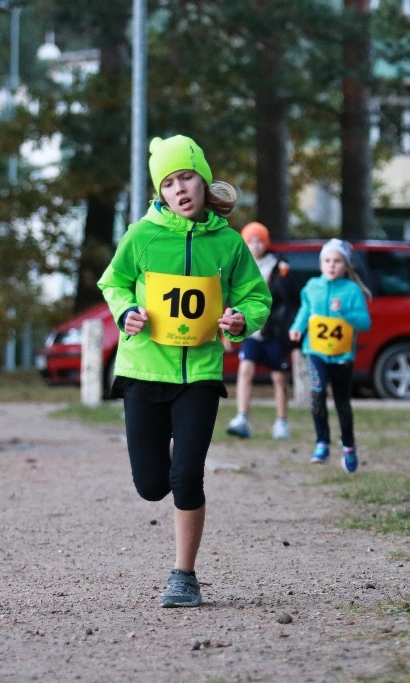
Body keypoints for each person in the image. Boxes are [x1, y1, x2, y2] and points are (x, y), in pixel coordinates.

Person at [97, 135, 271, 608]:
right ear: (160, 191)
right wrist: (126, 309)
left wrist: (240, 320)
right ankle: (167, 460)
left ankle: (184, 575)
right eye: (169, 182)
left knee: (186, 475)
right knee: (151, 485)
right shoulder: (141, 235)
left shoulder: (229, 244)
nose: (180, 189)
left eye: (187, 177)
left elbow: (256, 297)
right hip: (144, 370)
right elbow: (112, 282)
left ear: (203, 180)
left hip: (199, 373)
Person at [288, 239, 371, 473]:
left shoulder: (352, 291)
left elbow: (365, 323)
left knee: (343, 403)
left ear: (345, 265)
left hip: (342, 355)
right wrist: (297, 327)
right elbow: (306, 310)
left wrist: (344, 312)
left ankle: (348, 446)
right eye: (327, 261)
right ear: (321, 263)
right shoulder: (312, 286)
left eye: (337, 261)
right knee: (317, 391)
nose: (331, 265)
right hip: (315, 351)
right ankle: (322, 442)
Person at [225, 221, 299, 440]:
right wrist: (225, 331)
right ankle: (242, 417)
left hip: (273, 331)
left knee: (279, 378)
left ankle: (282, 421)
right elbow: (230, 298)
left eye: (259, 241)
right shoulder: (240, 267)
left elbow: (290, 298)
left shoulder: (279, 266)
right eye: (250, 241)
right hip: (251, 333)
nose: (255, 245)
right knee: (245, 370)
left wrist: (285, 276)